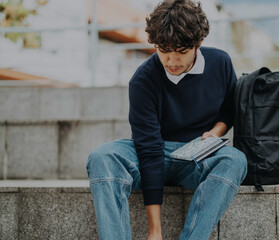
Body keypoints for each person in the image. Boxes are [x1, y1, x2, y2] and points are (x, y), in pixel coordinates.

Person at [86, 0, 247, 239]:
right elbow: (149, 149)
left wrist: (215, 132)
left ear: (197, 44)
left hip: (195, 157)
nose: (171, 62)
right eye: (164, 51)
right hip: (151, 154)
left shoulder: (220, 62)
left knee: (235, 160)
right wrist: (155, 231)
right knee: (102, 157)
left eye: (181, 52)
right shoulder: (143, 80)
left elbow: (228, 110)